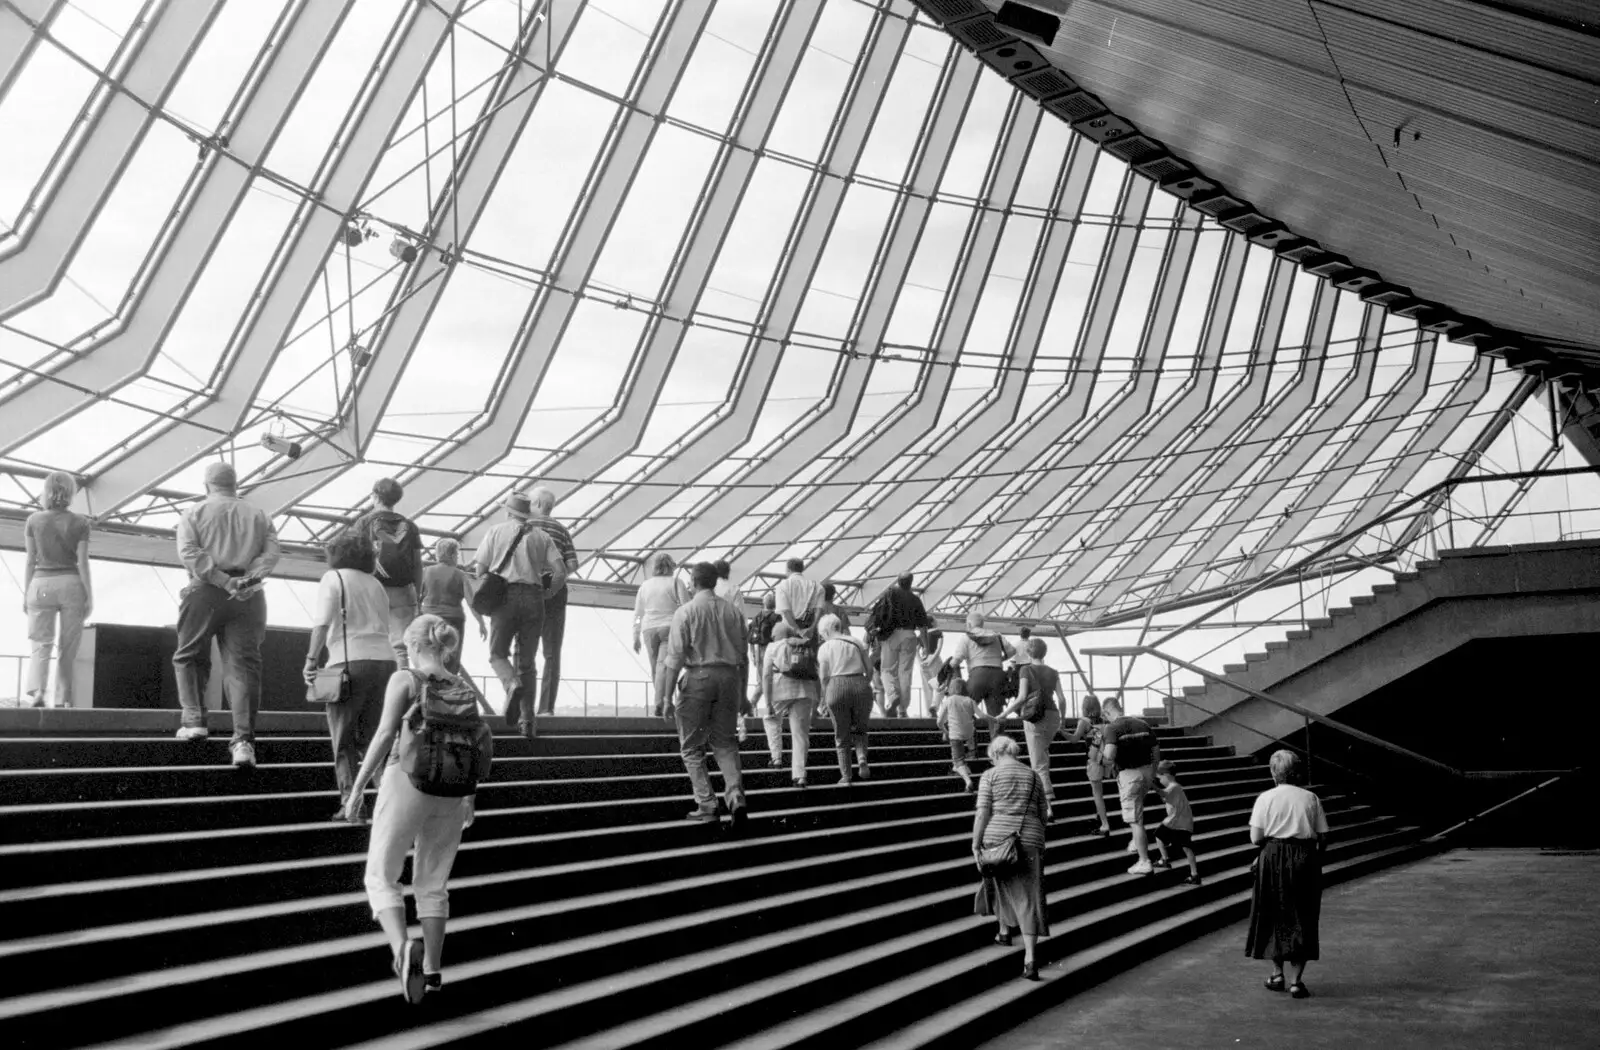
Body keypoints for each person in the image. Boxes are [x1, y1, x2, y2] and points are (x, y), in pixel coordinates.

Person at [343, 615, 484, 1003]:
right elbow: (476, 746)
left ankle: (403, 949)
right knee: (433, 883)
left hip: (407, 781)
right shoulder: (463, 688)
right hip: (454, 791)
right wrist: (469, 796)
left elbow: (385, 733)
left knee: (381, 875)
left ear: (416, 646)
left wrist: (357, 788)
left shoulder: (405, 679)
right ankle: (434, 972)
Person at [172, 462, 280, 767]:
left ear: (206, 485)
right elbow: (271, 553)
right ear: (236, 485)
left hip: (204, 590)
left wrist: (222, 580)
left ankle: (194, 721)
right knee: (243, 666)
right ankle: (243, 741)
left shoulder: (193, 513)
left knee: (189, 655)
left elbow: (189, 553)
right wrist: (247, 579)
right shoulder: (259, 515)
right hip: (248, 596)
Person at [304, 530, 395, 821]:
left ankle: (351, 803)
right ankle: (386, 800)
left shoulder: (334, 578)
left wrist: (310, 660)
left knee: (343, 738)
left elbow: (322, 623)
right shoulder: (376, 583)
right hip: (384, 662)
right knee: (376, 737)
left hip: (348, 662)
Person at [658, 562, 749, 825]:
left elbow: (674, 659)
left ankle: (707, 804)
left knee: (691, 746)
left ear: (693, 582)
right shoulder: (733, 612)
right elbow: (744, 659)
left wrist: (665, 697)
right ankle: (735, 797)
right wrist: (743, 695)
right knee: (725, 743)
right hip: (730, 679)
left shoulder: (685, 612)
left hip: (698, 677)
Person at [471, 491, 565, 739]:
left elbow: (479, 569)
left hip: (505, 597)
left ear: (508, 512)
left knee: (497, 653)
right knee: (527, 663)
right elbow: (560, 571)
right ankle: (528, 723)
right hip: (535, 599)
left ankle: (510, 684)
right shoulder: (542, 536)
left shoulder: (494, 531)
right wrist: (548, 592)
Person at [1247, 750, 1329, 999]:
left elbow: (1255, 838)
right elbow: (1323, 836)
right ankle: (1296, 981)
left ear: (1274, 772)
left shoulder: (1265, 798)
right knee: (1303, 915)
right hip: (1305, 857)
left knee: (1273, 913)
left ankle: (1276, 973)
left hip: (1272, 856)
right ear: (1296, 772)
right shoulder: (1310, 798)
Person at [972, 734, 1049, 981]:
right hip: (1029, 838)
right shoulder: (1033, 775)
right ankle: (1029, 958)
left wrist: (976, 842)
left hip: (997, 838)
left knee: (998, 882)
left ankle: (1005, 931)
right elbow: (1043, 813)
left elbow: (983, 812)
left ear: (994, 754)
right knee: (1028, 896)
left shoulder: (990, 775)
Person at [21, 471, 92, 709]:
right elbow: (82, 562)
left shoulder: (33, 520)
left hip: (40, 584)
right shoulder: (81, 522)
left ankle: (39, 691)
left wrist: (26, 592)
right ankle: (63, 700)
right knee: (68, 646)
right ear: (71, 493)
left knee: (41, 642)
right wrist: (88, 595)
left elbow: (30, 560)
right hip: (71, 583)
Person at [352, 479, 425, 669]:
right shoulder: (410, 526)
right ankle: (401, 692)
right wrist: (416, 595)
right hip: (403, 591)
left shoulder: (364, 522)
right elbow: (418, 564)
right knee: (401, 647)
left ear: (375, 496)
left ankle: (376, 691)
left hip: (372, 589)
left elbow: (355, 559)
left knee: (370, 641)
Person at [998, 637, 1067, 822]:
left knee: (1038, 764)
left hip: (1035, 718)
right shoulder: (1054, 672)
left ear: (1028, 652)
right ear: (1044, 653)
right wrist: (1064, 719)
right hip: (1053, 716)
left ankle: (1048, 808)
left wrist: (1004, 714)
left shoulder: (1025, 669)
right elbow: (1061, 699)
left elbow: (1021, 698)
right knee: (1043, 756)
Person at [525, 487, 580, 716]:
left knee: (525, 648)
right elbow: (572, 565)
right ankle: (546, 708)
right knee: (552, 651)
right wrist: (554, 581)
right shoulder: (561, 530)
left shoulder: (527, 526)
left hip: (530, 585)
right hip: (555, 587)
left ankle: (523, 705)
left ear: (536, 502)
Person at [1102, 695, 1161, 875]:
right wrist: (1152, 772)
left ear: (1106, 712)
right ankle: (1136, 842)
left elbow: (1110, 755)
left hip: (1129, 774)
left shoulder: (1112, 728)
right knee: (1138, 810)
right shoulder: (1142, 724)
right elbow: (1156, 752)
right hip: (1147, 772)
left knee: (1135, 820)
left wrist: (1101, 757)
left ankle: (1144, 861)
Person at [864, 572, 933, 718]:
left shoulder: (890, 594)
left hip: (891, 635)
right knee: (905, 672)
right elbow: (923, 627)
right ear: (911, 582)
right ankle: (902, 709)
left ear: (898, 581)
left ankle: (893, 694)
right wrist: (926, 647)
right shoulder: (915, 599)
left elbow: (878, 614)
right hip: (909, 635)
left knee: (887, 670)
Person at [816, 613, 872, 786]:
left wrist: (825, 699)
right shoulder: (856, 642)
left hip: (836, 686)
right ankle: (861, 758)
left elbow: (824, 677)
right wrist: (863, 684)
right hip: (860, 684)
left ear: (826, 631)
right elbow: (869, 669)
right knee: (860, 729)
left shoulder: (825, 647)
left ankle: (846, 777)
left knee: (841, 736)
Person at [761, 622, 818, 788]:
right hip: (805, 690)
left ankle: (776, 758)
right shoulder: (803, 645)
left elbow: (766, 675)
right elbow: (815, 670)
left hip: (780, 689)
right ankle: (799, 776)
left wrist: (768, 702)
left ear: (776, 635)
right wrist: (817, 700)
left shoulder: (773, 647)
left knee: (771, 719)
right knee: (800, 734)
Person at [418, 538, 484, 674]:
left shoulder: (425, 572)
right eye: (457, 555)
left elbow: (417, 597)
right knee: (451, 659)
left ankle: (428, 689)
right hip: (453, 620)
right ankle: (448, 688)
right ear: (453, 555)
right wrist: (481, 622)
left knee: (429, 656)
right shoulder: (460, 575)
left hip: (428, 618)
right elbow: (472, 602)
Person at [634, 553, 689, 705]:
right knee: (664, 667)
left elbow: (638, 613)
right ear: (671, 566)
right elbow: (686, 608)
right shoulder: (676, 583)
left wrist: (636, 634)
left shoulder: (645, 586)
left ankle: (662, 701)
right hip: (669, 627)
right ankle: (662, 702)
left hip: (648, 629)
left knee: (655, 668)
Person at [947, 611, 1015, 722]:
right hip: (998, 676)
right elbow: (1012, 651)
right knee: (996, 717)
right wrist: (1001, 659)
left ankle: (964, 735)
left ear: (968, 624)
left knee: (964, 710)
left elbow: (956, 660)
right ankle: (998, 738)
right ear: (982, 624)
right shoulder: (996, 636)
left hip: (977, 676)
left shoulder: (967, 637)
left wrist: (948, 667)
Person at [1066, 694, 1114, 836]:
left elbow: (1074, 739)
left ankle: (1105, 825)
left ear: (1085, 707)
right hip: (1105, 758)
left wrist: (1061, 731)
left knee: (1097, 794)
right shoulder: (1105, 720)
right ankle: (1100, 816)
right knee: (1101, 792)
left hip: (1094, 760)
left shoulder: (1084, 722)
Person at [1152, 760, 1201, 885]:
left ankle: (1164, 859)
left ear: (1166, 775)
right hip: (1184, 822)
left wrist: (1153, 786)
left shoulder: (1174, 787)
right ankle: (1194, 874)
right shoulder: (1175, 788)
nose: (1160, 781)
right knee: (1186, 847)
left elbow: (1163, 793)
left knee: (1158, 835)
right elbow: (1166, 799)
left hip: (1177, 821)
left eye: (1160, 777)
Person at [936, 675, 977, 791]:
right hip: (970, 736)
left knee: (959, 762)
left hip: (956, 736)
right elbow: (977, 717)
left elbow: (939, 722)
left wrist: (945, 732)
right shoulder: (969, 701)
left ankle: (968, 781)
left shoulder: (949, 700)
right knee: (959, 764)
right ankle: (960, 766)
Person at [773, 557, 823, 639]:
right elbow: (819, 610)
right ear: (802, 569)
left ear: (788, 569)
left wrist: (798, 631)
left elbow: (786, 611)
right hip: (809, 632)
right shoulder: (817, 587)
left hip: (787, 632)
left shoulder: (782, 586)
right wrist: (811, 629)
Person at [917, 629, 949, 721]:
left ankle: (929, 714)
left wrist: (920, 661)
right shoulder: (938, 633)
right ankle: (934, 707)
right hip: (934, 660)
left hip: (923, 661)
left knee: (927, 688)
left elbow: (916, 649)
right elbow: (939, 648)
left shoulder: (921, 635)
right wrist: (932, 659)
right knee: (941, 685)